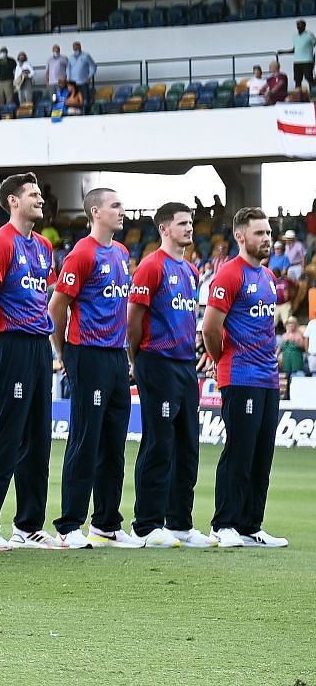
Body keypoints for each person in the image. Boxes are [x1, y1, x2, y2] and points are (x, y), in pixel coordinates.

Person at [0, 172, 62, 551]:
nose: (40, 199)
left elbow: (45, 295)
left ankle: (29, 525)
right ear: (13, 201)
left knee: (39, 437)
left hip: (40, 346)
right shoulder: (0, 242)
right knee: (5, 434)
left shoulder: (42, 245)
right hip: (12, 345)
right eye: (33, 194)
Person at [48, 186, 137, 548]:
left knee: (114, 443)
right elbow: (56, 308)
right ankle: (69, 524)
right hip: (87, 354)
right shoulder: (82, 254)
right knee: (85, 440)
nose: (121, 211)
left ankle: (106, 524)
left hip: (116, 357)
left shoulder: (122, 253)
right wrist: (63, 353)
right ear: (96, 212)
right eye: (115, 206)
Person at [126, 202, 215, 548]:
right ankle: (146, 525)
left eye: (190, 222)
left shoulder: (191, 271)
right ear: (164, 228)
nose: (189, 228)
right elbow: (133, 319)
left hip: (183, 366)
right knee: (159, 443)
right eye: (182, 223)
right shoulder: (151, 267)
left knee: (187, 445)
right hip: (156, 361)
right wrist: (137, 358)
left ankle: (180, 523)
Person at [204, 209, 288, 547]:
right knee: (239, 450)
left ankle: (251, 524)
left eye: (268, 233)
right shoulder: (229, 274)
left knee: (262, 453)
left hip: (267, 377)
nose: (267, 239)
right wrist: (218, 358)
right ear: (241, 237)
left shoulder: (267, 276)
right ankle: (224, 524)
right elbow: (211, 327)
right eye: (259, 233)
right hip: (240, 375)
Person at [293, 19, 314, 93]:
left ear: (304, 26)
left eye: (300, 25)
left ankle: (313, 95)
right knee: (297, 80)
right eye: (298, 25)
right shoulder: (295, 36)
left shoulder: (309, 35)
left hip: (307, 60)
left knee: (309, 78)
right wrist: (283, 52)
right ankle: (298, 97)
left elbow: (314, 44)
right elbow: (295, 49)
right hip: (297, 61)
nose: (299, 27)